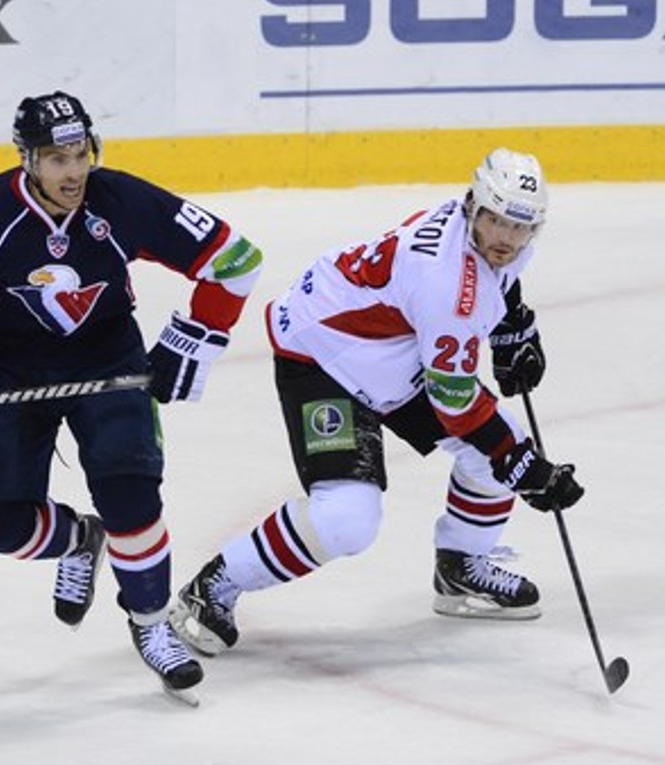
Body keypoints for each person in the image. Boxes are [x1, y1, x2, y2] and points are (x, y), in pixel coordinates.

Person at [0, 90, 263, 699]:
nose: (73, 172)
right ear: (27, 160)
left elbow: (235, 259)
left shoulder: (120, 200)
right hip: (9, 368)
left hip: (106, 357)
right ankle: (78, 540)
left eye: (80, 153)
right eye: (56, 159)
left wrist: (192, 340)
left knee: (131, 495)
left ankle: (150, 622)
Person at [171, 148, 585, 657]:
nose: (505, 237)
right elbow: (454, 399)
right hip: (323, 356)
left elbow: (497, 284)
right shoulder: (445, 282)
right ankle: (211, 587)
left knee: (502, 447)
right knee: (348, 517)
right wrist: (523, 470)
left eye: (519, 227)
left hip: (389, 352)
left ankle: (459, 569)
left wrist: (512, 328)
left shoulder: (485, 238)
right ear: (472, 205)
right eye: (495, 220)